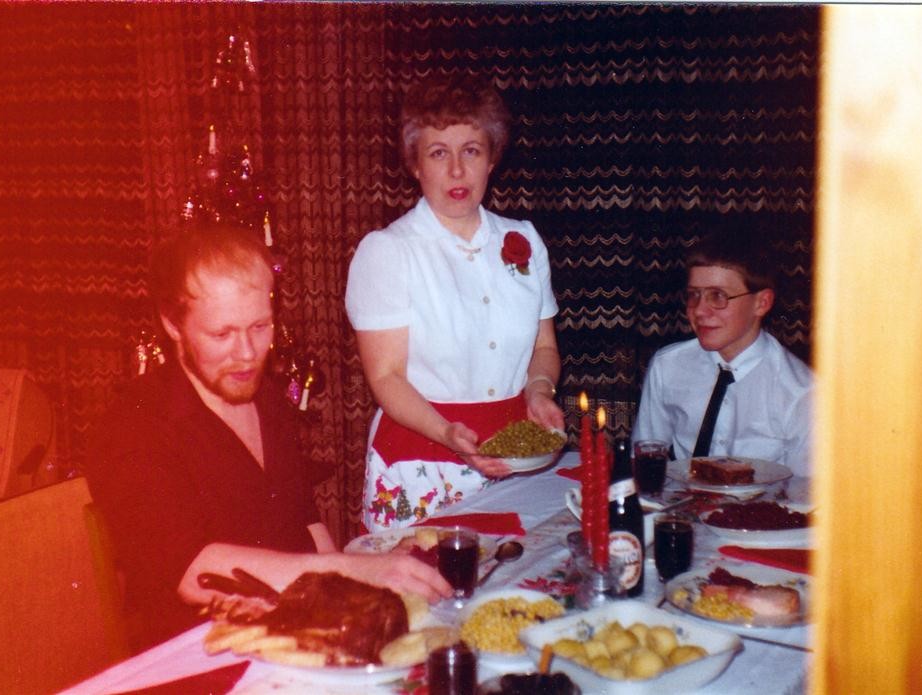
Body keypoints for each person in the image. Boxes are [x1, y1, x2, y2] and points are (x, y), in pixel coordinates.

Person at [85, 222, 450, 652]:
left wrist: (358, 592)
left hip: (297, 631)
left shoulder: (268, 399)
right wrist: (353, 570)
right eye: (222, 334)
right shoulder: (133, 425)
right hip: (204, 652)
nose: (246, 353)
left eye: (260, 327)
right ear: (173, 324)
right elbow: (193, 574)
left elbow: (307, 522)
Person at [345, 74, 564, 532]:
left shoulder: (523, 239)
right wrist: (446, 432)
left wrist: (539, 391)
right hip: (423, 457)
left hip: (512, 458)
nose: (458, 171)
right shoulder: (388, 252)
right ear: (415, 165)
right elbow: (385, 377)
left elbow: (544, 348)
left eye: (471, 151)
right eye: (439, 153)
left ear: (491, 159)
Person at [632, 230, 814, 477]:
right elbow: (644, 457)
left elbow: (805, 490)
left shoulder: (801, 392)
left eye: (717, 296)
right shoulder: (668, 366)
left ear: (761, 303)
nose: (699, 311)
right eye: (693, 295)